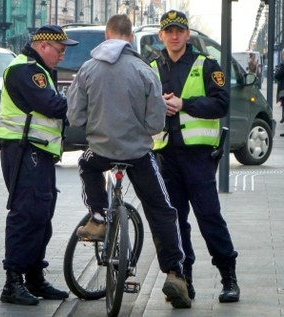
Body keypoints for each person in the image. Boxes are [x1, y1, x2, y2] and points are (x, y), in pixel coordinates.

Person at [67, 14, 191, 309]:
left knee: (86, 165)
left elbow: (75, 116)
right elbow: (155, 122)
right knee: (162, 210)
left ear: (106, 37)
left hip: (101, 150)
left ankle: (97, 217)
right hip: (137, 153)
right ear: (131, 37)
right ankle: (175, 273)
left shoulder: (87, 69)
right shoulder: (144, 70)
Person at [151, 10, 240, 303]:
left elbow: (221, 103)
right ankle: (182, 281)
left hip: (199, 157)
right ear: (161, 35)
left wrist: (183, 103)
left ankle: (228, 277)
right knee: (175, 222)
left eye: (179, 31)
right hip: (166, 156)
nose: (174, 36)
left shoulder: (206, 65)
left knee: (209, 216)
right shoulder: (151, 67)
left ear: (188, 34)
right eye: (169, 31)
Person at [0, 24, 78, 306]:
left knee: (42, 213)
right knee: (27, 213)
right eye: (60, 50)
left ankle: (34, 277)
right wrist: (78, 100)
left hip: (37, 151)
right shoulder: (25, 70)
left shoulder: (39, 70)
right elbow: (52, 106)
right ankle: (13, 282)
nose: (63, 56)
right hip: (23, 149)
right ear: (43, 46)